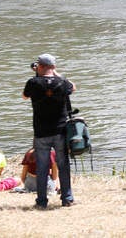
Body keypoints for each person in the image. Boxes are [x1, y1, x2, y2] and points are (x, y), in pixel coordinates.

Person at [22, 53, 75, 209]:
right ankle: (67, 198)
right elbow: (73, 87)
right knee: (63, 164)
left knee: (42, 166)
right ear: (54, 67)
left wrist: (38, 75)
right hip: (60, 130)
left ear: (40, 66)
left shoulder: (33, 82)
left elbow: (24, 96)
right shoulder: (62, 83)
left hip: (41, 132)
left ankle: (42, 201)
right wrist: (55, 73)